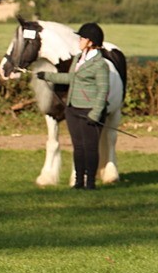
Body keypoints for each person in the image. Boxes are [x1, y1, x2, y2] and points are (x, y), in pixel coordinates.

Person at [35, 23, 109, 190]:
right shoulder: (78, 58)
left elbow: (103, 90)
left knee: (90, 148)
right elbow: (70, 78)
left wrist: (96, 113)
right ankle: (78, 182)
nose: (79, 41)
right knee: (78, 147)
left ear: (91, 42)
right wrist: (47, 76)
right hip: (73, 109)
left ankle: (90, 182)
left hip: (90, 110)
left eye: (82, 38)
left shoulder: (100, 65)